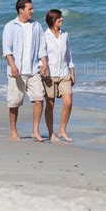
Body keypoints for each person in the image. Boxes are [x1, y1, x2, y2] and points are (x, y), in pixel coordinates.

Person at [2, 0, 48, 141]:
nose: (33, 11)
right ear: (21, 10)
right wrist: (13, 66)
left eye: (32, 8)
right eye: (30, 9)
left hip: (34, 70)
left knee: (39, 99)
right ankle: (13, 132)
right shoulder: (10, 26)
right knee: (14, 103)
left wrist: (44, 64)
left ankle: (35, 131)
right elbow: (7, 49)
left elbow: (42, 48)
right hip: (17, 72)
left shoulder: (37, 26)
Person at [42, 9, 75, 142]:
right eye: (59, 18)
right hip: (50, 75)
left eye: (61, 18)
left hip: (64, 73)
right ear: (52, 20)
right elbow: (41, 55)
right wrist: (42, 69)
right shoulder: (44, 36)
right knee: (50, 105)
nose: (61, 20)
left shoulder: (65, 34)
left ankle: (62, 131)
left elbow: (69, 55)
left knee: (68, 102)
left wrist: (72, 71)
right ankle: (51, 133)